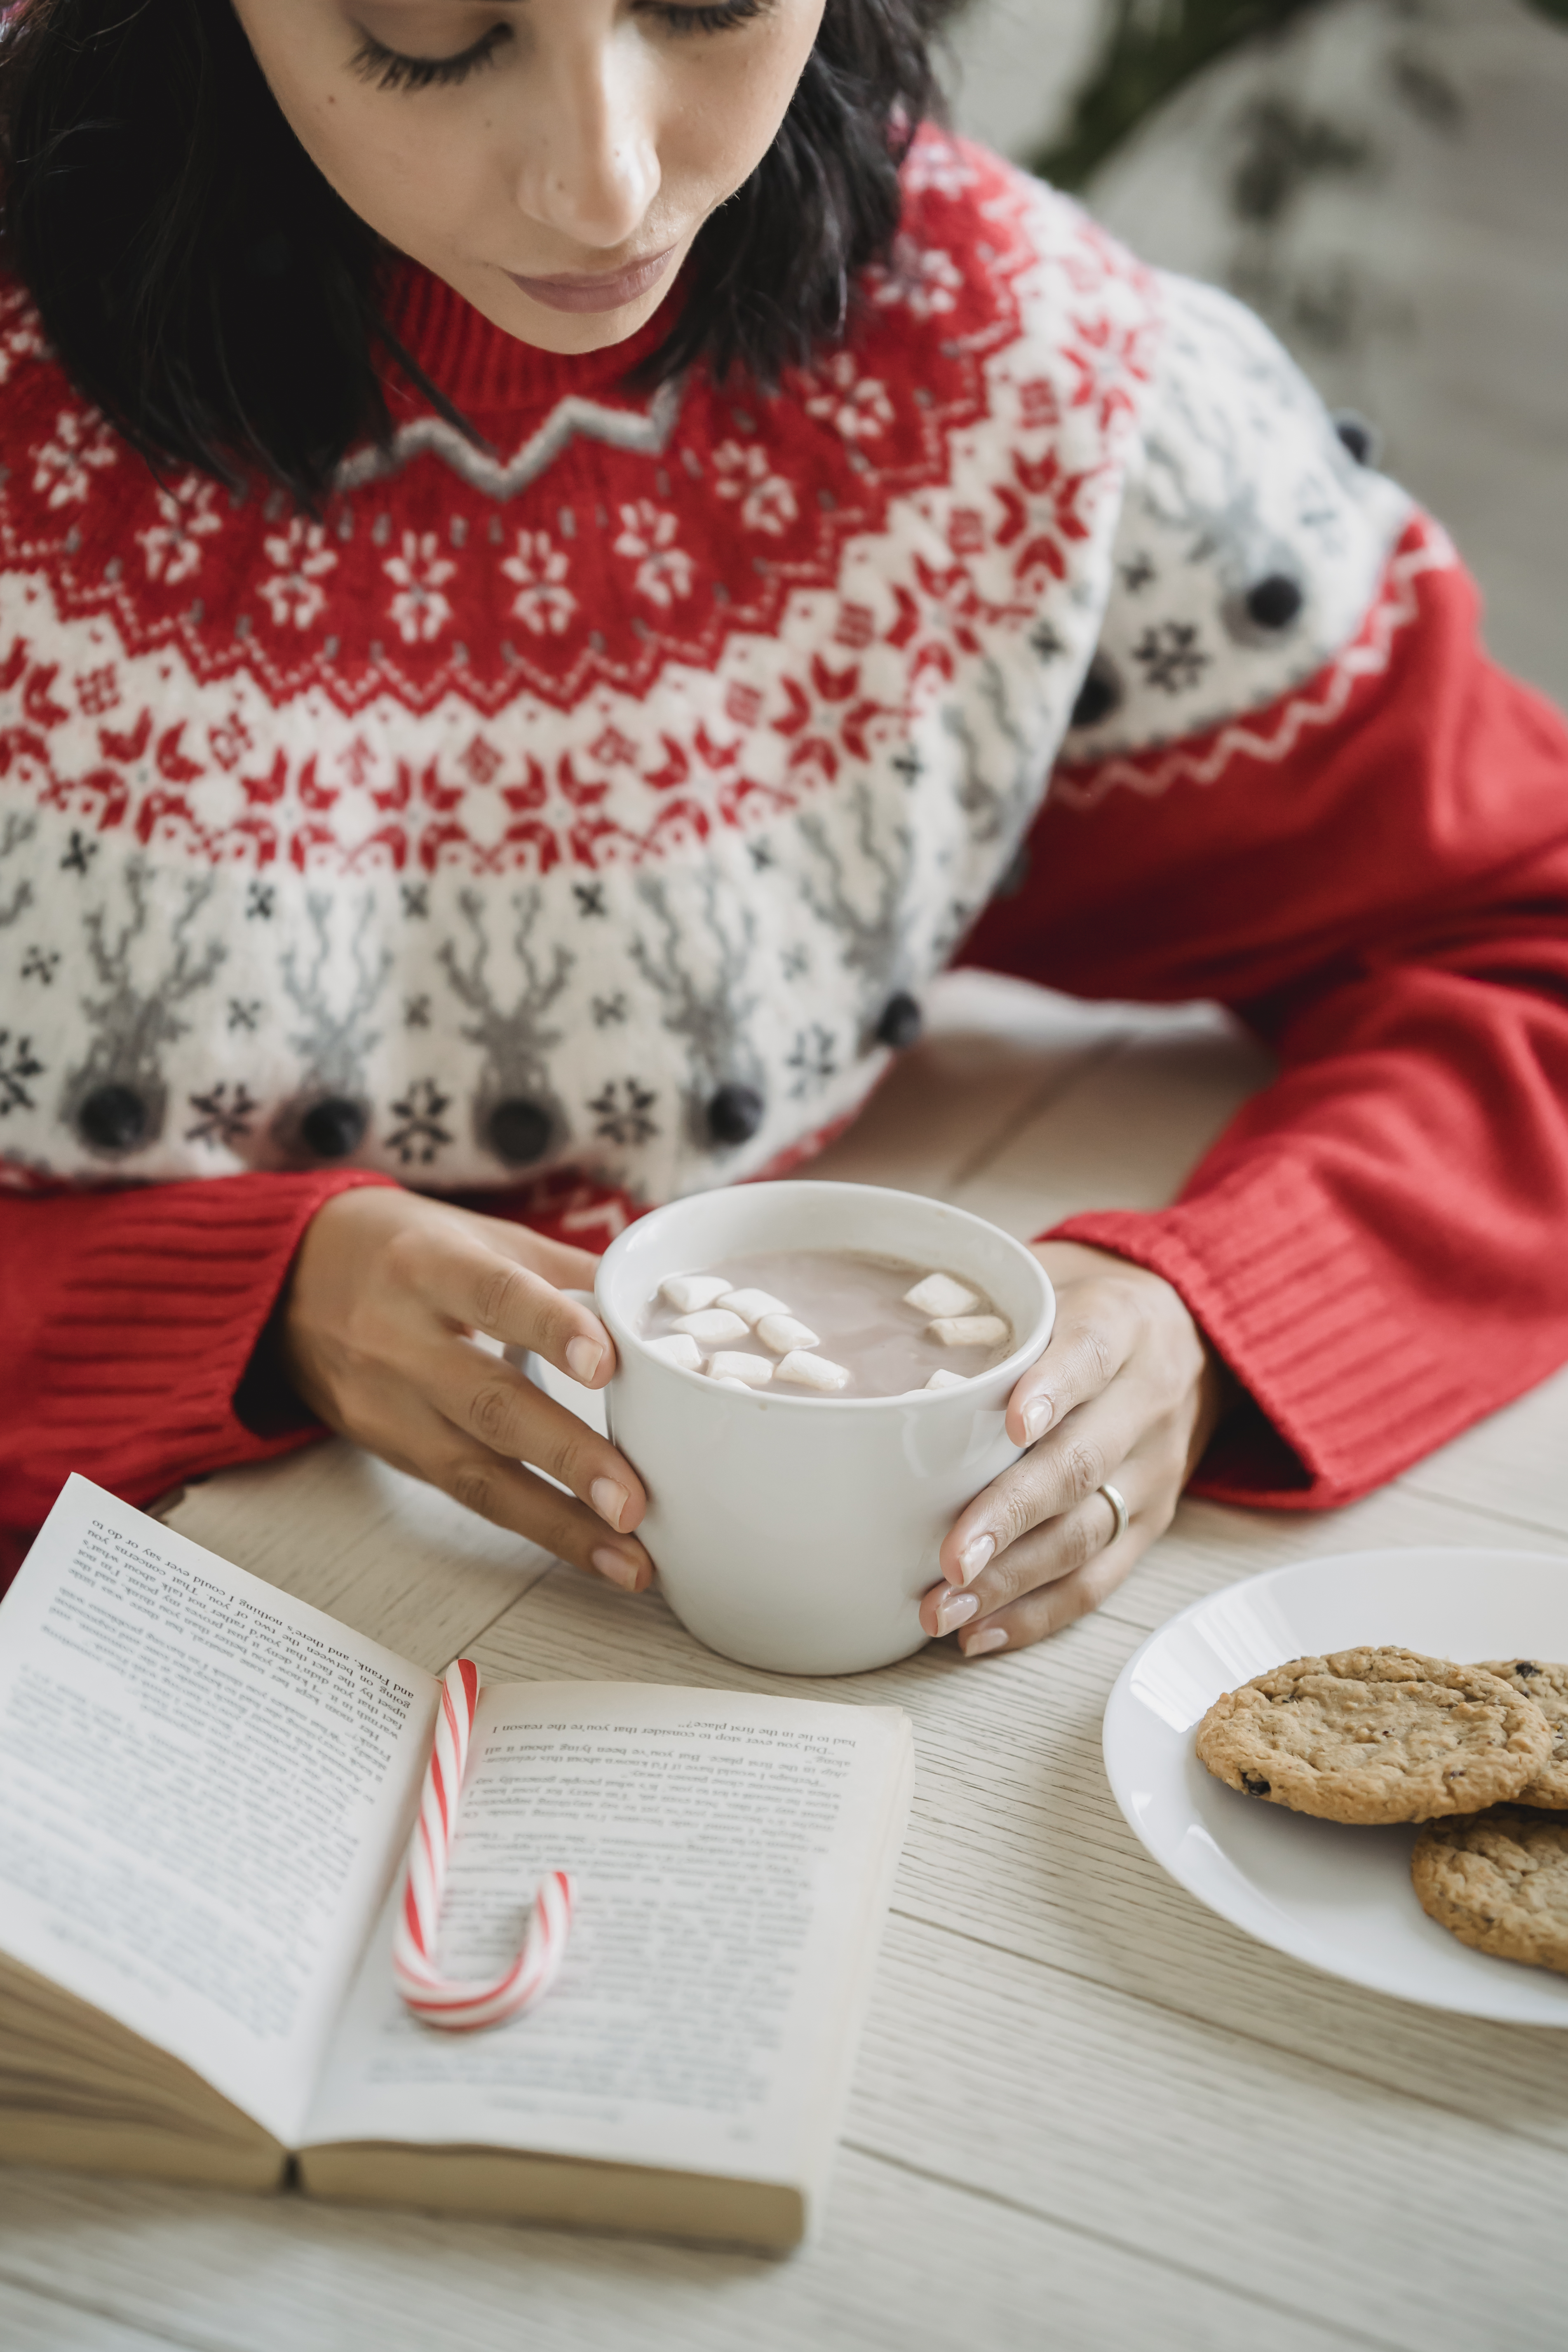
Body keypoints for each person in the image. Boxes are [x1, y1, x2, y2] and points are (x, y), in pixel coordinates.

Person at [1, 0, 1565, 1659]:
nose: (606, 190)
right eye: (430, 39)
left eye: (705, 1)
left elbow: (1527, 931)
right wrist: (241, 1300)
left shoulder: (1004, 399)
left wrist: (1208, 1322)